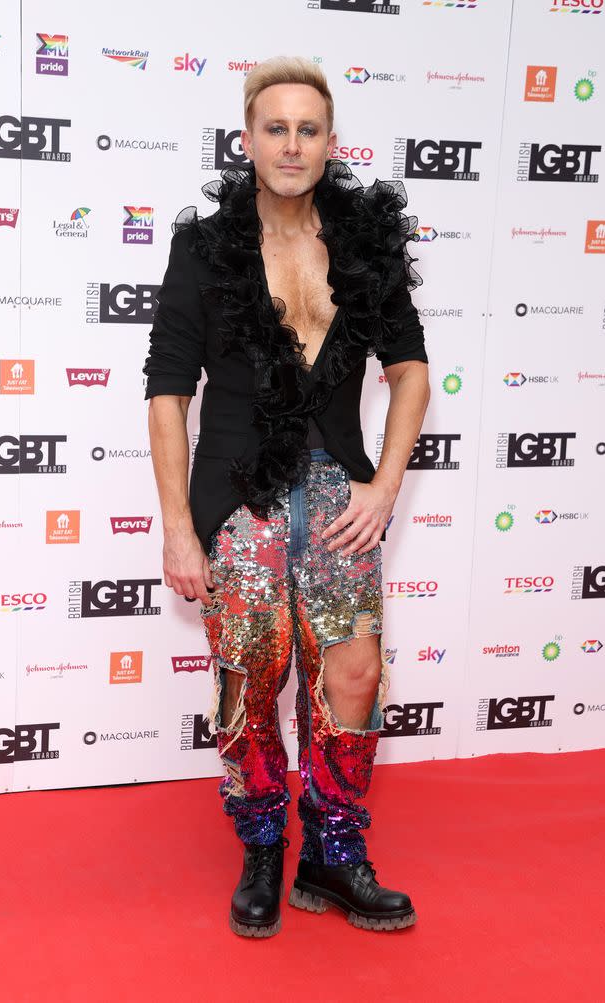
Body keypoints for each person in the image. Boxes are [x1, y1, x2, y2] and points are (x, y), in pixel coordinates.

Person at [143, 56, 430, 938]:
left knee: (353, 672)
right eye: (276, 127)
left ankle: (334, 855)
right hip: (238, 496)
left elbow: (411, 368)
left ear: (330, 142)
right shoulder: (205, 245)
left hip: (339, 494)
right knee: (250, 681)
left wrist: (385, 482)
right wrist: (179, 530)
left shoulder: (366, 241)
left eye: (309, 129)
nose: (292, 143)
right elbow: (166, 390)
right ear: (248, 139)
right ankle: (264, 844)